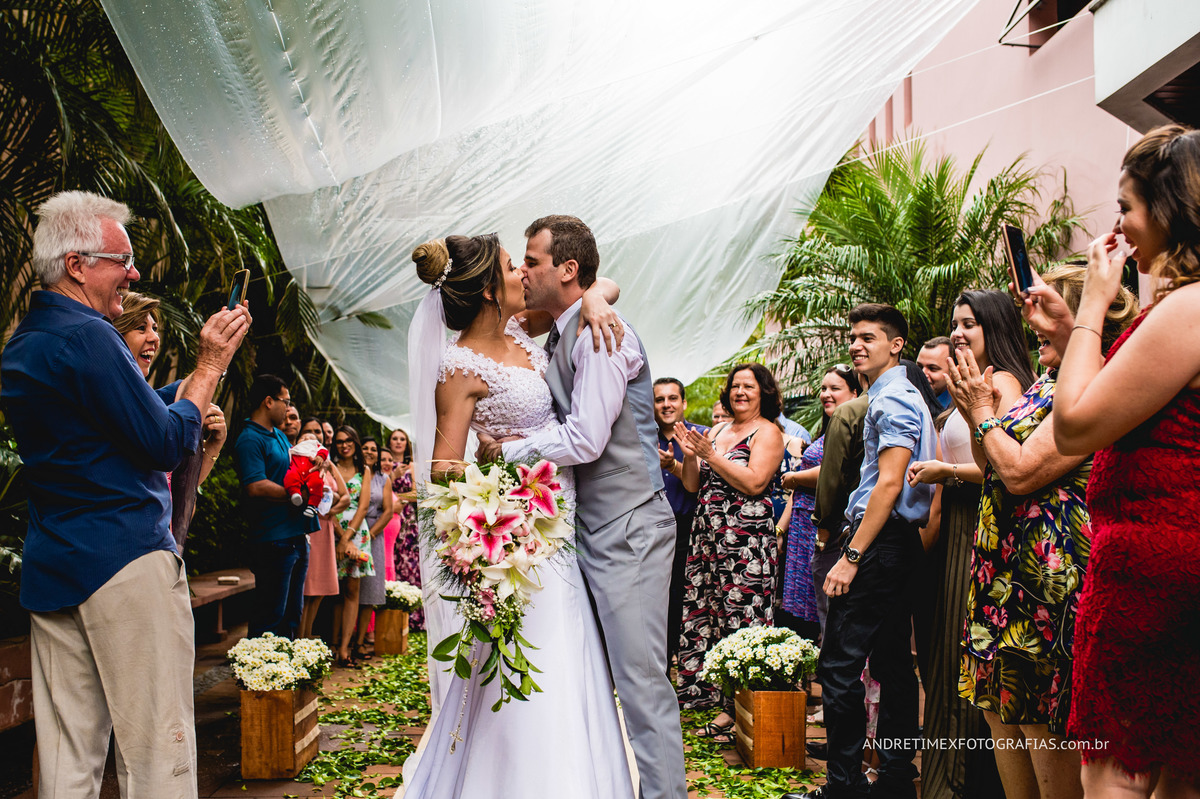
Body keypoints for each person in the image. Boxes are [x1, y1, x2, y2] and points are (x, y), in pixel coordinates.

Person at [1, 190, 249, 798]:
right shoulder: (90, 337)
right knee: (156, 748)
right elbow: (164, 444)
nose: (134, 274)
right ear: (78, 264)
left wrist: (177, 391)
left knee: (67, 757)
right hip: (125, 562)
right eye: (123, 259)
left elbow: (97, 427)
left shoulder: (25, 344)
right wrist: (211, 365)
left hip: (56, 562)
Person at [404, 223, 649, 799]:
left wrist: (592, 294)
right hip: (514, 541)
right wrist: (478, 535)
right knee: (526, 666)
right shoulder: (460, 367)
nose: (522, 274)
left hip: (561, 528)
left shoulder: (525, 333)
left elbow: (600, 283)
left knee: (572, 660)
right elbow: (444, 468)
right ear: (491, 288)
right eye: (514, 266)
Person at [481, 214, 686, 799]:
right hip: (589, 530)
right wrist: (599, 292)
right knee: (600, 678)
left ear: (567, 270)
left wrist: (508, 451)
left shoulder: (602, 335)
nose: (523, 270)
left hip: (630, 528)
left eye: (533, 261)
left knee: (642, 683)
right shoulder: (565, 327)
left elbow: (587, 438)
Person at [1044, 125, 1200, 798]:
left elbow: (1075, 424)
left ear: (1168, 211)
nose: (1119, 226)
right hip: (1181, 567)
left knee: (1114, 773)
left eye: (1127, 207)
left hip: (1148, 572)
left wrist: (1093, 301)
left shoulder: (1188, 309)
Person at [946, 265, 1137, 799]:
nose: (1031, 322)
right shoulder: (1046, 384)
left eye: (1045, 310)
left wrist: (982, 414)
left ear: (1084, 320)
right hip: (1001, 573)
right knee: (1001, 715)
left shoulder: (1093, 382)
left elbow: (1024, 471)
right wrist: (975, 415)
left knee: (1038, 722)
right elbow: (993, 467)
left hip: (1046, 579)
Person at [786, 304, 935, 799]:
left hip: (878, 541)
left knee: (839, 667)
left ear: (896, 345)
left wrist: (851, 557)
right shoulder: (895, 395)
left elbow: (889, 482)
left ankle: (844, 787)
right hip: (895, 543)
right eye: (853, 337)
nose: (856, 345)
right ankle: (894, 780)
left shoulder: (893, 400)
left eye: (868, 337)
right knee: (892, 662)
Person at [907, 291, 1034, 799]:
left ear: (995, 327)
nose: (958, 333)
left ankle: (968, 781)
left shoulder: (1001, 381)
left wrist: (945, 472)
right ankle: (947, 777)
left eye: (969, 324)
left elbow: (1003, 466)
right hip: (959, 525)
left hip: (987, 523)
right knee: (950, 657)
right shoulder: (969, 381)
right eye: (955, 324)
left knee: (973, 660)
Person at [675, 363, 786, 733]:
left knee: (743, 619)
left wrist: (711, 455)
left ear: (763, 393)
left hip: (746, 543)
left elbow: (755, 483)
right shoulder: (719, 429)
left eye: (748, 387)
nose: (740, 392)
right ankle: (711, 695)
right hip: (708, 537)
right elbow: (693, 486)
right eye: (735, 386)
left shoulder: (768, 432)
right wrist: (690, 454)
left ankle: (740, 709)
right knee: (710, 615)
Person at [777, 365, 861, 643]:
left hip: (829, 525)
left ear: (855, 392)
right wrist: (781, 530)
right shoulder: (826, 431)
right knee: (806, 602)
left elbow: (834, 471)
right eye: (823, 389)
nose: (826, 394)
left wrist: (794, 477)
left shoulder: (853, 427)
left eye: (835, 388)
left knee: (826, 602)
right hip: (803, 524)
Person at [234, 375, 319, 639]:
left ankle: (284, 675)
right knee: (270, 615)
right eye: (286, 401)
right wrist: (297, 495)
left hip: (295, 535)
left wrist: (316, 467)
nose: (288, 408)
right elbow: (256, 486)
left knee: (291, 615)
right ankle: (260, 677)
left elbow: (295, 467)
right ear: (268, 402)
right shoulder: (249, 440)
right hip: (273, 540)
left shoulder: (280, 436)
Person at [113, 291, 227, 484]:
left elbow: (179, 489)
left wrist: (214, 445)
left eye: (155, 328)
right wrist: (211, 365)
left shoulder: (156, 400)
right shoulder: (113, 401)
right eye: (141, 328)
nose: (155, 338)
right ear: (117, 336)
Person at [654, 377, 708, 668]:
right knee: (657, 596)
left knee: (685, 593)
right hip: (651, 527)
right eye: (659, 399)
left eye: (672, 398)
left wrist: (674, 464)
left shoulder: (702, 436)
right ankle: (660, 659)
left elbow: (702, 483)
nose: (666, 405)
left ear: (683, 403)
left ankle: (685, 659)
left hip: (690, 527)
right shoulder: (641, 438)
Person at [300, 425, 348, 640]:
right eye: (306, 436)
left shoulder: (328, 464)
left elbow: (345, 496)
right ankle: (299, 638)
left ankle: (307, 635)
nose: (312, 439)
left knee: (319, 588)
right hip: (306, 526)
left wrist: (330, 510)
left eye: (316, 435)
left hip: (325, 525)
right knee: (305, 587)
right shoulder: (296, 461)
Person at [331, 425, 373, 666]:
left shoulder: (363, 470)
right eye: (339, 441)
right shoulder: (330, 466)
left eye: (348, 441)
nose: (344, 445)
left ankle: (345, 649)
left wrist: (347, 538)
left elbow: (363, 506)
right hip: (331, 527)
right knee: (332, 590)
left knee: (351, 591)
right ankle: (332, 644)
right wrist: (338, 534)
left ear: (355, 443)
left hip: (357, 532)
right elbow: (325, 502)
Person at [354, 436, 394, 657]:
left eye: (373, 449)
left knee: (369, 589)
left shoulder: (383, 478)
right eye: (365, 448)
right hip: (350, 528)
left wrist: (369, 535)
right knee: (349, 588)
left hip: (372, 533)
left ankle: (360, 642)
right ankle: (343, 639)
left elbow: (388, 511)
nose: (369, 452)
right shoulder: (353, 472)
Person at [386, 428, 423, 630]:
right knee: (393, 560)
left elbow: (418, 493)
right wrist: (392, 476)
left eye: (402, 439)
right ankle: (392, 611)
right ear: (389, 442)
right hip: (389, 516)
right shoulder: (385, 464)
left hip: (407, 519)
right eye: (395, 438)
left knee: (410, 562)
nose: (398, 442)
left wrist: (401, 498)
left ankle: (414, 616)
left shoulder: (412, 465)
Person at [917, 336, 953, 410]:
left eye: (932, 368)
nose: (923, 374)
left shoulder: (957, 410)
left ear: (952, 371)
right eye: (920, 367)